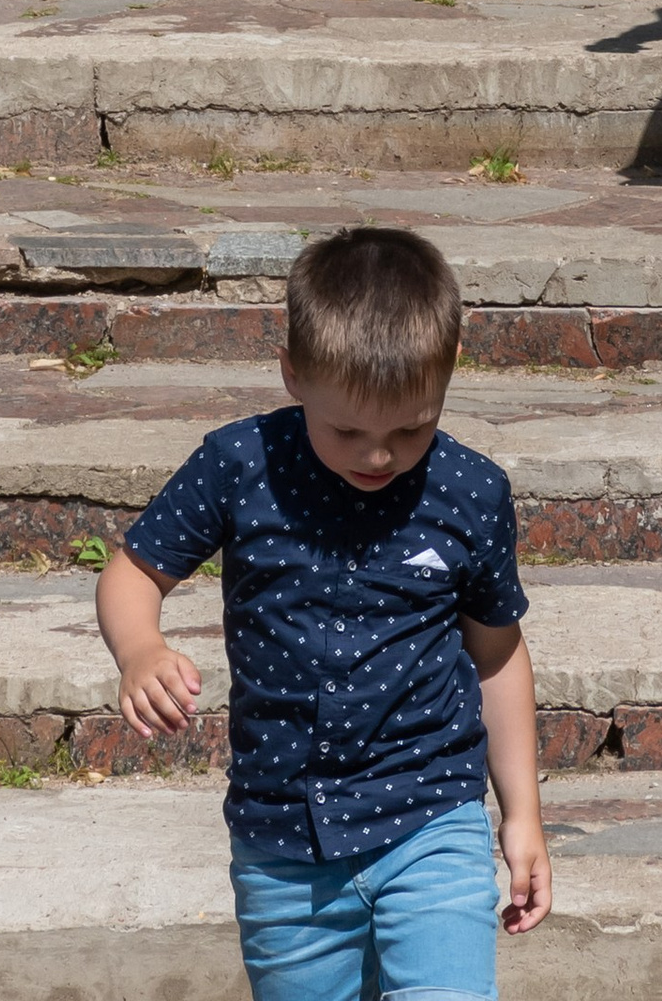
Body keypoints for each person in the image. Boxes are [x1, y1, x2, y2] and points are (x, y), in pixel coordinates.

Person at [98, 223, 550, 1001]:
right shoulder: (239, 465)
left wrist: (523, 815)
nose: (379, 455)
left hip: (431, 816)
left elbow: (497, 654)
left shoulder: (471, 493)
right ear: (293, 374)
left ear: (449, 371)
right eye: (348, 430)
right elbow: (133, 571)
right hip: (284, 842)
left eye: (411, 427)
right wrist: (140, 648)